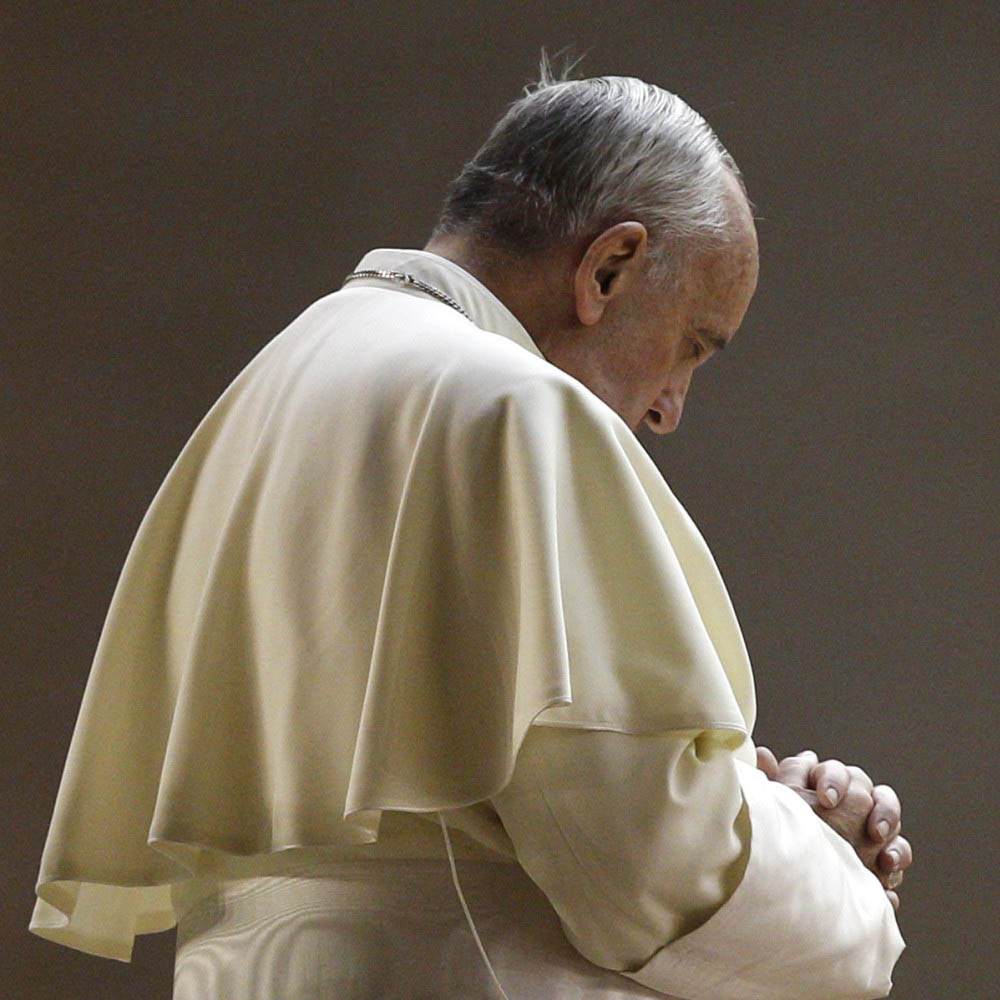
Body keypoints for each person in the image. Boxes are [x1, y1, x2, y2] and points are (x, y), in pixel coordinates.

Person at [30, 63, 911, 999]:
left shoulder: (275, 382)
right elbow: (644, 865)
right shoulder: (515, 412)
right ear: (608, 267)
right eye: (690, 345)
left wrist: (751, 806)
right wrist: (833, 877)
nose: (669, 410)